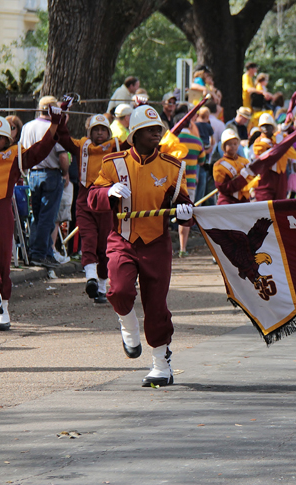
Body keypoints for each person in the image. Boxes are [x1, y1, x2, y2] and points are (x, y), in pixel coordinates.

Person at [88, 105, 194, 387]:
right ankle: (128, 325)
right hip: (121, 239)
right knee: (118, 291)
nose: (156, 134)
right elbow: (92, 197)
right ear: (134, 134)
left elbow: (182, 203)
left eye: (158, 129)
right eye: (149, 130)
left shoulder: (173, 167)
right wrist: (106, 192)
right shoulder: (113, 163)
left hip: (157, 244)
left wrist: (186, 212)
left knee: (156, 306)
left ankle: (161, 364)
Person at [0, 111, 64, 331]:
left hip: (1, 210)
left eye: (0, 137)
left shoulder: (17, 154)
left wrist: (56, 122)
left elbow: (41, 150)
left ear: (8, 139)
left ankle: (2, 307)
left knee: (3, 258)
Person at [56, 114, 121, 303]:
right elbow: (63, 138)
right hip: (85, 200)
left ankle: (101, 286)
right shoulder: (81, 145)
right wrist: (60, 118)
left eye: (103, 129)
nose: (99, 133)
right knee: (89, 239)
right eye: (96, 130)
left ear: (108, 132)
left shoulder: (116, 146)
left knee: (105, 246)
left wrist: (141, 109)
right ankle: (90, 278)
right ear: (89, 131)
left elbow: (136, 139)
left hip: (108, 201)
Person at [20, 96, 70, 267]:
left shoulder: (27, 127)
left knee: (36, 216)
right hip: (51, 174)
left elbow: (23, 151)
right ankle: (40, 254)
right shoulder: (52, 127)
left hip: (32, 174)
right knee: (47, 217)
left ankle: (37, 250)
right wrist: (66, 173)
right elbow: (63, 155)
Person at [252, 113, 296, 201]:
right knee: (265, 206)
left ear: (273, 127)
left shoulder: (279, 138)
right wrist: (276, 144)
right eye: (263, 126)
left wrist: (282, 133)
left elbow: (288, 142)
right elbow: (263, 152)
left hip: (280, 177)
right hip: (266, 177)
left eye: (269, 126)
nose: (266, 129)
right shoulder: (259, 142)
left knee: (280, 205)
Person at [176, 114, 206, 257]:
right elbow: (202, 161)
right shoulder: (198, 141)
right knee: (185, 214)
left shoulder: (171, 141)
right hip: (190, 183)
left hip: (170, 182)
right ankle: (183, 248)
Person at [213, 129, 254, 205]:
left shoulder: (245, 161)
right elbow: (223, 188)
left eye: (235, 144)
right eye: (230, 144)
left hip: (244, 200)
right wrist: (242, 178)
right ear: (224, 147)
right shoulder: (218, 165)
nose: (233, 146)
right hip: (228, 201)